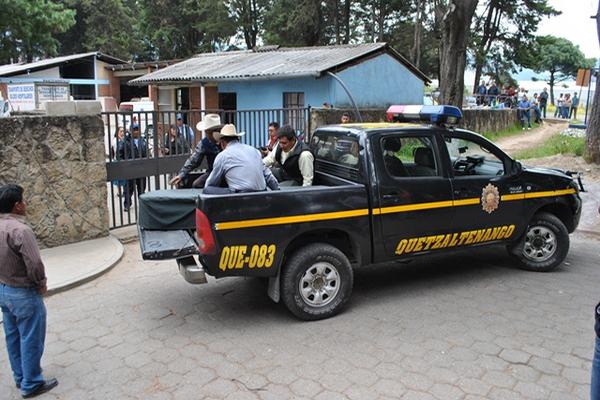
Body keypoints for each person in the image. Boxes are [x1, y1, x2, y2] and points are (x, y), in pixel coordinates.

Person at [0, 184, 59, 398]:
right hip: (23, 292)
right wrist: (41, 283)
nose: (25, 204)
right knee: (30, 337)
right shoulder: (21, 231)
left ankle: (20, 377)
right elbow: (34, 263)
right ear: (17, 206)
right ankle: (32, 382)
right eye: (23, 200)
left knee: (13, 336)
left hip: (4, 290)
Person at [203, 124, 279, 194]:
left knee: (207, 190)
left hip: (240, 196)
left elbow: (211, 183)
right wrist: (277, 191)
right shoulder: (255, 151)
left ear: (222, 143)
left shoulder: (222, 156)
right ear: (238, 139)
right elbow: (268, 176)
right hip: (261, 193)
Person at [169, 114, 222, 189]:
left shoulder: (226, 139)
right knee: (197, 184)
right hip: (213, 172)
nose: (207, 134)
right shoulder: (204, 143)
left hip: (229, 173)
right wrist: (182, 174)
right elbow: (194, 160)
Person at [119, 123, 147, 211]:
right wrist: (124, 164)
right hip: (130, 168)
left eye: (137, 129)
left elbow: (145, 153)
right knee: (128, 188)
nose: (136, 131)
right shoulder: (125, 141)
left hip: (141, 168)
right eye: (134, 130)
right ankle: (127, 204)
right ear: (130, 131)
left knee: (141, 187)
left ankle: (142, 203)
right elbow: (119, 154)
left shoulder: (142, 140)